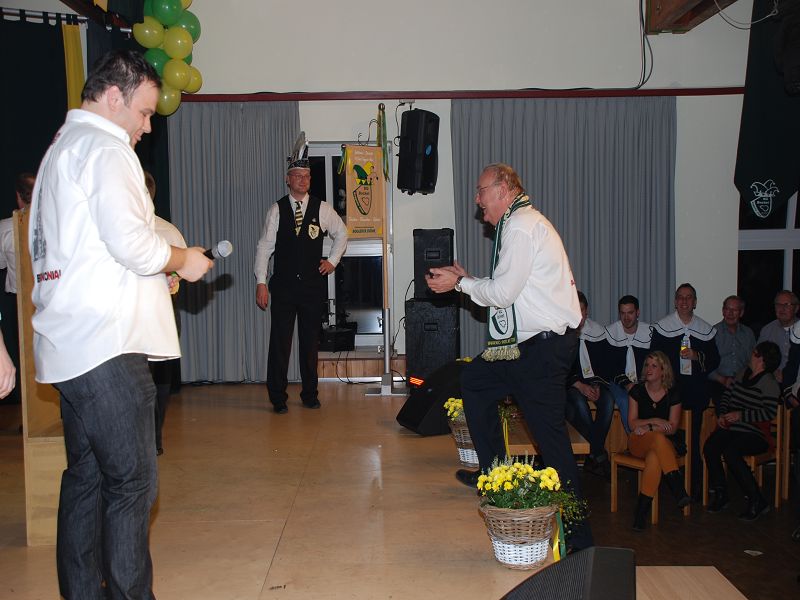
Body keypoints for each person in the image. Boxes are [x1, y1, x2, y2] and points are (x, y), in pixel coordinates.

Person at [29, 49, 213, 599]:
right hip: (108, 345)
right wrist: (183, 259)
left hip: (72, 344)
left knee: (86, 480)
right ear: (114, 97)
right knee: (132, 484)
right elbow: (133, 243)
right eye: (145, 112)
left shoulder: (62, 148)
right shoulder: (106, 148)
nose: (147, 127)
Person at [426, 162, 592, 550]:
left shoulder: (520, 226)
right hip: (526, 348)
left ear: (503, 190)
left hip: (542, 351)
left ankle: (582, 541)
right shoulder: (519, 223)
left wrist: (461, 284)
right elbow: (507, 288)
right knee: (475, 380)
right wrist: (469, 281)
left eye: (481, 191)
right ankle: (495, 474)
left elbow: (502, 294)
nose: (477, 199)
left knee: (552, 443)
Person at [254, 143, 347, 413]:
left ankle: (310, 394)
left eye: (306, 176)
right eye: (297, 176)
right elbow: (264, 248)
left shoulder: (322, 208)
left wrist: (332, 261)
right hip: (283, 287)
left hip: (311, 288)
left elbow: (342, 233)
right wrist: (261, 282)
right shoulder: (277, 210)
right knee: (280, 343)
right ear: (288, 179)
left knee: (309, 343)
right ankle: (277, 398)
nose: (303, 180)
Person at [651, 283, 720, 498]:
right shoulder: (663, 327)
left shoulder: (705, 329)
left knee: (692, 437)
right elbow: (655, 358)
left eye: (689, 297)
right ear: (675, 301)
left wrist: (697, 356)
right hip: (669, 392)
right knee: (669, 436)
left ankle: (693, 482)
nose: (684, 301)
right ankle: (670, 481)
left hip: (694, 391)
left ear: (695, 302)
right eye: (680, 297)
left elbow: (714, 360)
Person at [703, 341, 781, 520]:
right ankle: (721, 494)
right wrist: (722, 414)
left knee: (731, 452)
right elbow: (726, 396)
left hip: (755, 433)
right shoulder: (742, 373)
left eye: (754, 353)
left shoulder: (769, 383)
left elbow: (769, 412)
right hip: (733, 428)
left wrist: (741, 415)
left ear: (761, 359)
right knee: (711, 447)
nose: (750, 355)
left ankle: (757, 500)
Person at [145, 170, 186, 456]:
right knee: (156, 376)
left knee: (153, 377)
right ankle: (152, 438)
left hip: (156, 309)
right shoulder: (169, 230)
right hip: (160, 310)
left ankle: (151, 438)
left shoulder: (164, 231)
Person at [627, 351, 690, 531]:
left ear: (664, 370)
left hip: (664, 443)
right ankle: (677, 487)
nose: (649, 369)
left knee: (655, 456)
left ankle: (640, 513)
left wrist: (649, 427)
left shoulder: (673, 393)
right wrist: (655, 421)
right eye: (647, 365)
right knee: (658, 437)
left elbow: (673, 428)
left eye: (654, 366)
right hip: (639, 441)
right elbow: (632, 424)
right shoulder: (637, 391)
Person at [565, 291, 615, 477]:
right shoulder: (562, 332)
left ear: (587, 311)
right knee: (579, 404)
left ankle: (593, 453)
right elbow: (562, 369)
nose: (579, 315)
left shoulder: (598, 331)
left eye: (582, 310)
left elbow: (605, 365)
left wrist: (597, 385)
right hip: (573, 384)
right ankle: (598, 454)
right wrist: (579, 384)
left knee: (608, 401)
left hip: (594, 382)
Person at [0, 172, 34, 404]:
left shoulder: (5, 227)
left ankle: (23, 403)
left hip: (19, 302)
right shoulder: (56, 221)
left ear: (18, 197)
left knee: (21, 355)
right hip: (48, 300)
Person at [605, 294, 651, 433]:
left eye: (630, 313)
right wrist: (627, 384)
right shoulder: (610, 333)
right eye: (623, 313)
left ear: (637, 312)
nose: (626, 317)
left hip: (643, 381)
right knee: (626, 400)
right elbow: (610, 367)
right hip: (617, 382)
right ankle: (633, 437)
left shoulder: (649, 332)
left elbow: (654, 362)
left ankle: (650, 436)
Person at [708, 295, 755, 412]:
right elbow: (705, 364)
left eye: (734, 310)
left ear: (741, 313)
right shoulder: (712, 333)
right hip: (719, 382)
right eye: (727, 309)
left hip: (743, 382)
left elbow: (753, 361)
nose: (730, 313)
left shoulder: (748, 334)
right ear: (723, 311)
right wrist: (722, 379)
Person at [757, 290, 799, 381]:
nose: (782, 308)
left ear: (796, 308)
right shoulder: (767, 330)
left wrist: (787, 375)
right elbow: (757, 359)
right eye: (778, 304)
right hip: (771, 381)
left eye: (787, 305)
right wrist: (770, 372)